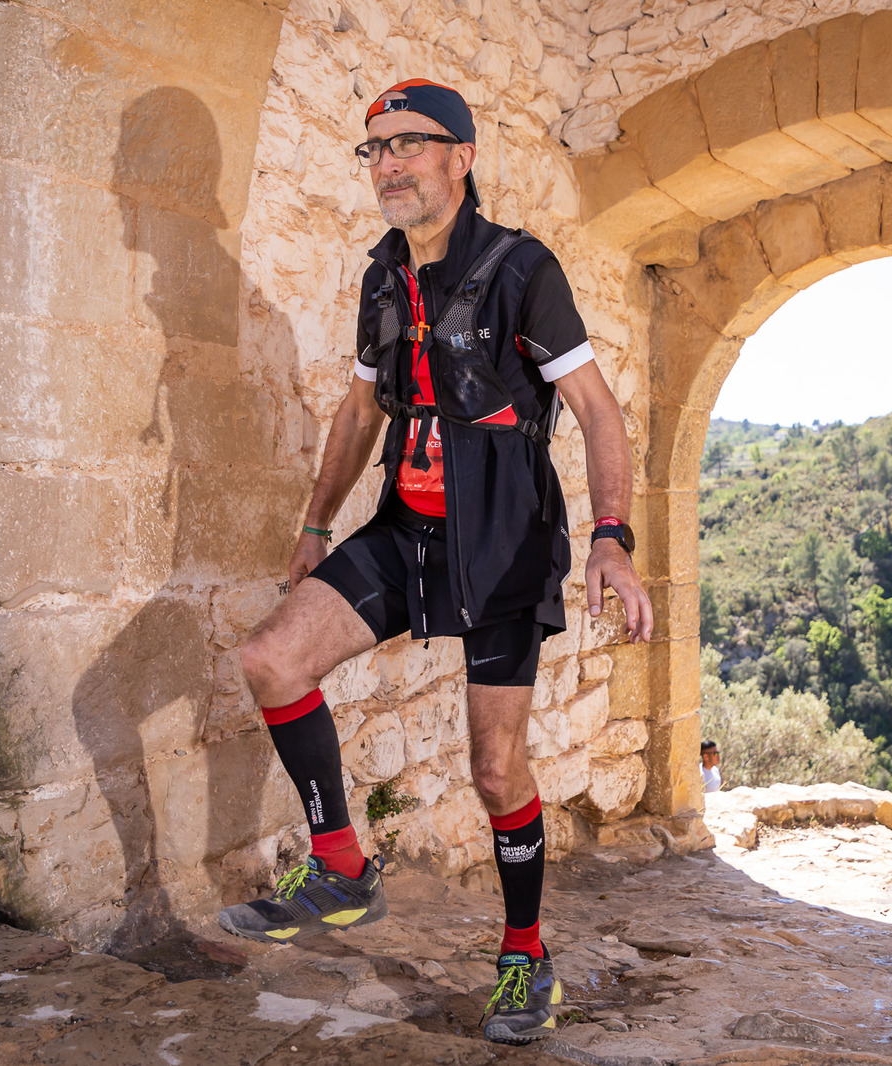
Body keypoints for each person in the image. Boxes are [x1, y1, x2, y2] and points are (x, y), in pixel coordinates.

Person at [215, 79, 653, 1047]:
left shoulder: (520, 269)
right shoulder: (383, 275)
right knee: (271, 658)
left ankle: (525, 955)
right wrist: (315, 524)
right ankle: (341, 866)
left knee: (496, 773)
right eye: (375, 148)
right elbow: (360, 409)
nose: (389, 164)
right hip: (404, 531)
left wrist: (610, 536)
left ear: (461, 156)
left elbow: (595, 408)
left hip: (503, 542)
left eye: (410, 143)